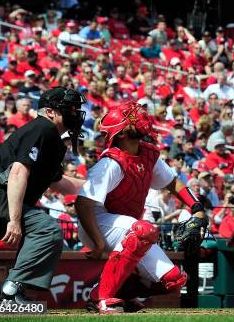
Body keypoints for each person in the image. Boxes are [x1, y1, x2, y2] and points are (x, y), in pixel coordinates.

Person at [75, 101, 208, 313]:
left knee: (175, 281)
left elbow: (173, 183)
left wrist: (197, 207)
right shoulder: (110, 163)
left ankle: (121, 295)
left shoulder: (148, 154)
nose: (138, 118)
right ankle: (103, 298)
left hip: (129, 229)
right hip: (96, 222)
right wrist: (98, 243)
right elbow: (82, 204)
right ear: (120, 134)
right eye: (130, 119)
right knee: (143, 229)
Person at [0, 87, 87, 303]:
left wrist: (100, 187)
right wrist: (15, 221)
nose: (74, 113)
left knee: (38, 231)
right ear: (49, 112)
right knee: (47, 230)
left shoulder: (50, 136)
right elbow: (18, 172)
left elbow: (61, 183)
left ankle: (13, 291)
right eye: (70, 108)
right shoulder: (43, 129)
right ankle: (11, 290)